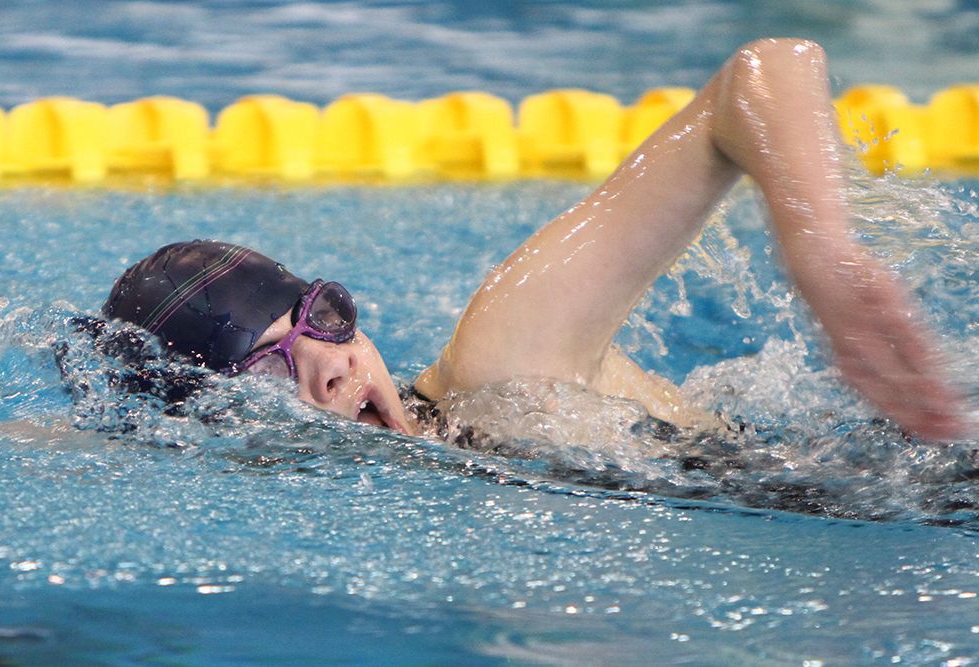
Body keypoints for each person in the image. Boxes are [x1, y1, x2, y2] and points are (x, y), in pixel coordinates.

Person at [102, 38, 966, 441]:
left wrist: (822, 252)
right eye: (268, 369)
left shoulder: (500, 365)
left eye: (324, 317)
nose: (332, 365)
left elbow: (762, 72)